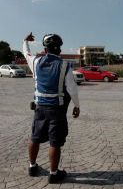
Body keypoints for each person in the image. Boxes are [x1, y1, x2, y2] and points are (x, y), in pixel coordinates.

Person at [23, 32, 80, 184]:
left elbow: (26, 53)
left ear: (45, 49)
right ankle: (53, 174)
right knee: (55, 142)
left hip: (39, 108)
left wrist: (25, 41)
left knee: (35, 137)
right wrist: (77, 106)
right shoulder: (64, 66)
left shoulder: (35, 62)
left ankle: (32, 167)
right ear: (59, 49)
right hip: (57, 110)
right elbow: (72, 89)